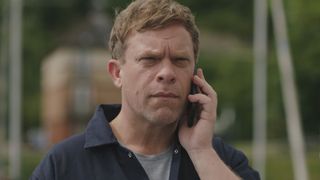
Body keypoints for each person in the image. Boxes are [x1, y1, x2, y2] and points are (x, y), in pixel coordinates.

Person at [31, 0, 260, 179]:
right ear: (117, 73)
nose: (167, 73)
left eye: (180, 60)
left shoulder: (221, 159)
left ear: (195, 74)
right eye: (150, 59)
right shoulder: (64, 166)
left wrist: (201, 151)